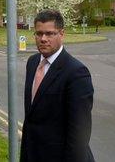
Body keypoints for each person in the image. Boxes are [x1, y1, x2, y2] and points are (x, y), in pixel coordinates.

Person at [20, 9, 95, 162]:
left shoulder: (76, 73)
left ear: (61, 34)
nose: (43, 38)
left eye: (50, 33)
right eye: (39, 33)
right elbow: (32, 119)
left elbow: (79, 134)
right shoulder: (32, 62)